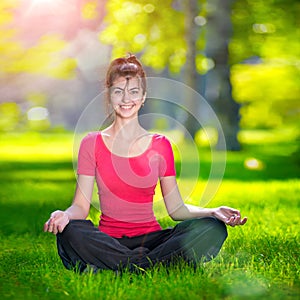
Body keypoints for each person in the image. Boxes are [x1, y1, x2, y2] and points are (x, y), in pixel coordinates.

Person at [44, 54, 247, 273]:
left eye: (133, 92)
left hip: (152, 240)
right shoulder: (92, 142)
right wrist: (64, 214)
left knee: (213, 228)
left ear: (143, 97)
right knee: (70, 230)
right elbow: (81, 207)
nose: (126, 99)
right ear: (109, 95)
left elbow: (176, 209)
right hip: (109, 241)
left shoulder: (160, 144)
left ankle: (120, 267)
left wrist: (213, 212)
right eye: (118, 91)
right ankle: (151, 266)